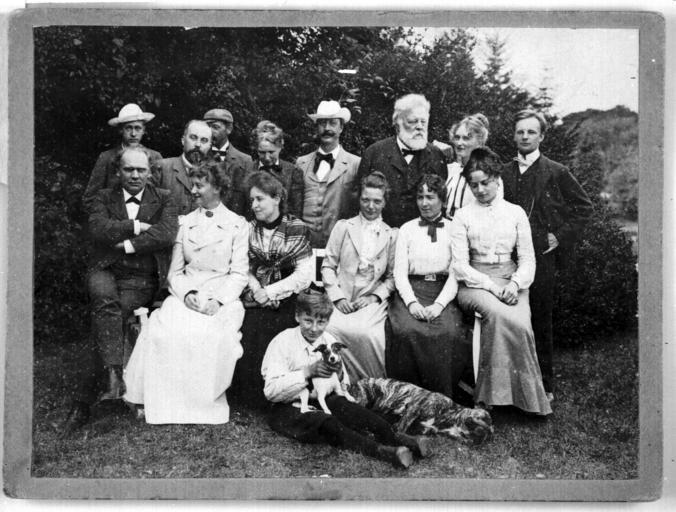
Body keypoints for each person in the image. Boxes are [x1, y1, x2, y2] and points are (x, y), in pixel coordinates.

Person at [61, 147, 177, 435]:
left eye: (141, 170)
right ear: (117, 171)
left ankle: (83, 403)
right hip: (105, 269)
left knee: (107, 318)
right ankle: (113, 375)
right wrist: (136, 225)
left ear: (150, 172)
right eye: (129, 169)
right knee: (105, 302)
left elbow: (165, 233)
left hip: (139, 278)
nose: (135, 175)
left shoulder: (164, 197)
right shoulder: (103, 197)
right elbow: (98, 229)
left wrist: (127, 243)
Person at [123, 160, 249, 424]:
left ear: (217, 188)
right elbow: (175, 273)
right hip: (186, 293)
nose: (193, 191)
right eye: (193, 185)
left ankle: (197, 404)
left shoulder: (238, 225)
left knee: (208, 335)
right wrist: (187, 293)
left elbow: (239, 274)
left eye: (199, 185)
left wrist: (219, 301)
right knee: (163, 331)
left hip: (221, 295)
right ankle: (165, 402)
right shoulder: (185, 223)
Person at [261, 288, 431, 469]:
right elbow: (270, 391)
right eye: (308, 321)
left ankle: (398, 438)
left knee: (351, 409)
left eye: (321, 322)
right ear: (297, 316)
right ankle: (383, 451)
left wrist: (340, 376)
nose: (314, 328)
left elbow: (344, 384)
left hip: (321, 398)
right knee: (326, 422)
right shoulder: (282, 341)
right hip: (287, 406)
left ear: (328, 321)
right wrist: (307, 372)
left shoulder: (328, 340)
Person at [450, 147, 551, 416]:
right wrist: (493, 288)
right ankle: (488, 397)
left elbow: (528, 259)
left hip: (511, 280)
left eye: (485, 182)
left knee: (520, 322)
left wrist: (515, 284)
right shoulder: (462, 216)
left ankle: (525, 399)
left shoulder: (515, 213)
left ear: (497, 178)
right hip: (475, 283)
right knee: (497, 314)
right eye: (474, 185)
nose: (480, 190)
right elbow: (460, 266)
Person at [501, 110, 593, 399]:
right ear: (514, 136)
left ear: (541, 136)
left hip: (541, 254)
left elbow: (584, 208)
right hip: (507, 254)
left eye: (531, 132)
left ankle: (544, 385)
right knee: (509, 315)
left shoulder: (556, 171)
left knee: (539, 317)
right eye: (520, 132)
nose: (525, 137)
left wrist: (560, 236)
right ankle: (510, 384)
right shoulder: (503, 172)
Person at [385, 174, 470, 401]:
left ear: (442, 199)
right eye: (420, 197)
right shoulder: (407, 229)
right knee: (406, 331)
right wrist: (412, 303)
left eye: (430, 197)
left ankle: (441, 398)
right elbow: (399, 272)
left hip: (442, 292)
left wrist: (439, 305)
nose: (424, 203)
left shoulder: (454, 229)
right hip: (411, 290)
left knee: (448, 332)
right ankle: (407, 398)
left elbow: (456, 272)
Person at [231, 172, 313, 407]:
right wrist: (258, 290)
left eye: (260, 199)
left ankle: (278, 392)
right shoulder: (249, 228)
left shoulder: (296, 228)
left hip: (289, 293)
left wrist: (271, 292)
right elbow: (244, 267)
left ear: (277, 198)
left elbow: (304, 275)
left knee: (277, 328)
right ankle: (249, 396)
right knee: (250, 325)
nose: (254, 205)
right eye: (252, 200)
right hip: (255, 292)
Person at [321, 171, 397, 381]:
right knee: (329, 328)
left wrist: (373, 297)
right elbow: (328, 266)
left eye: (377, 201)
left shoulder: (391, 235)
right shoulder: (344, 227)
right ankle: (333, 383)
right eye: (365, 200)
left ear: (384, 202)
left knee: (369, 335)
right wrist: (337, 297)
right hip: (342, 292)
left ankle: (371, 385)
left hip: (370, 297)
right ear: (359, 199)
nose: (370, 206)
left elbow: (392, 277)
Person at [354, 93, 447, 228]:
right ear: (397, 125)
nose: (419, 127)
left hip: (422, 233)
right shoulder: (374, 153)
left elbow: (441, 199)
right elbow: (360, 199)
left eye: (423, 122)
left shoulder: (436, 155)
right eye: (413, 121)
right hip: (381, 233)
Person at [296, 100, 361, 247]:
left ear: (341, 127)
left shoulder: (355, 164)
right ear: (316, 127)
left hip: (340, 246)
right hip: (304, 247)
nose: (327, 128)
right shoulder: (301, 163)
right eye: (322, 123)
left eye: (332, 123)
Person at [83, 103, 162, 212]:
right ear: (121, 130)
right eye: (128, 128)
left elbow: (162, 196)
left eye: (137, 128)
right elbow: (90, 199)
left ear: (144, 130)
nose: (133, 134)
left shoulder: (155, 157)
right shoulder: (107, 158)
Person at [241, 121, 304, 219]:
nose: (267, 158)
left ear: (280, 147)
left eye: (271, 152)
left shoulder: (293, 172)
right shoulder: (246, 170)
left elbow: (296, 211)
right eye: (262, 152)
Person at [153, 120, 213, 217]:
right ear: (183, 140)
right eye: (193, 138)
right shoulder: (162, 167)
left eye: (204, 140)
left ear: (209, 146)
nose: (198, 144)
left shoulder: (214, 174)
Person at [203, 108, 252, 216]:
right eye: (207, 127)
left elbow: (249, 200)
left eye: (215, 127)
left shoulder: (245, 161)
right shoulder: (199, 158)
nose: (209, 131)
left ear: (229, 129)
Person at [445, 113, 493, 219]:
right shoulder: (450, 169)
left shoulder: (488, 173)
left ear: (480, 141)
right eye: (457, 137)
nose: (459, 143)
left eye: (466, 138)